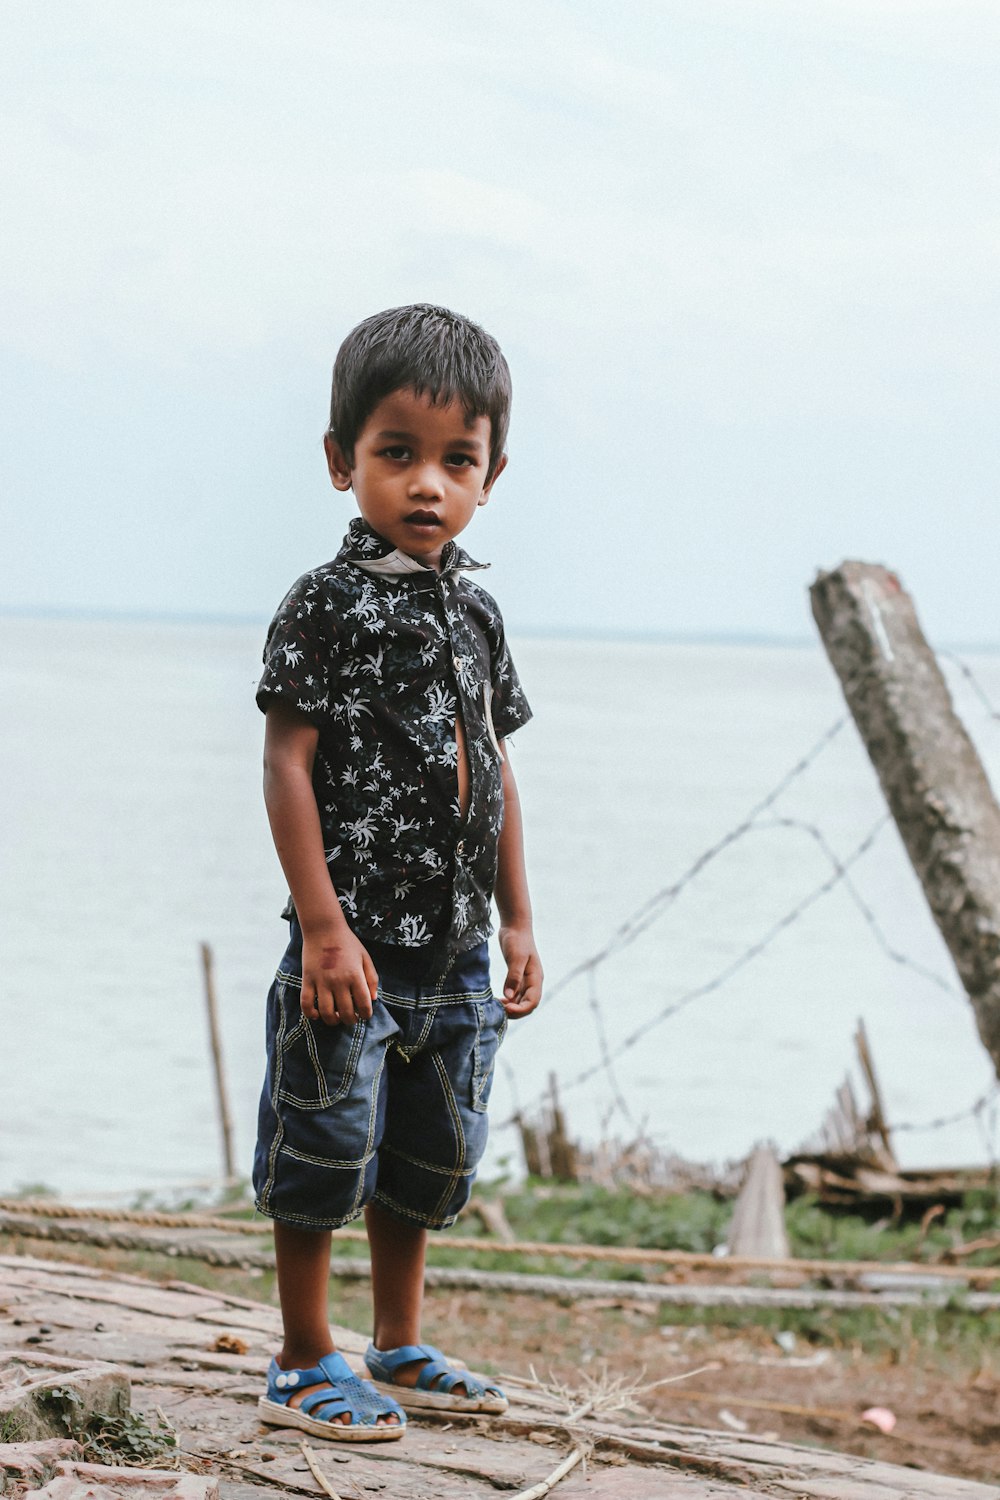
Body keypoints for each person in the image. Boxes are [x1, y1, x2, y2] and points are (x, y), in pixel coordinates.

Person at [252, 304, 542, 1442]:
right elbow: (285, 762)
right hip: (353, 946)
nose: (427, 484)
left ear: (491, 474)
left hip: (455, 948)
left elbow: (499, 766)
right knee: (323, 1144)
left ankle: (399, 1341)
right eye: (396, 454)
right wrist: (323, 931)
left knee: (425, 1153)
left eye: (454, 460)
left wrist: (518, 919)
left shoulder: (475, 611)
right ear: (341, 461)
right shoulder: (327, 606)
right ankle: (301, 1352)